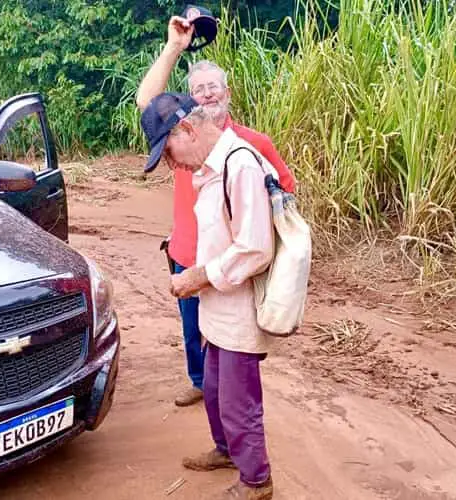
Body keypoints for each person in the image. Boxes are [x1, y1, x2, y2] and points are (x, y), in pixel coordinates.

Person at [136, 14, 295, 407]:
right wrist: (175, 46)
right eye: (198, 89)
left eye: (213, 87)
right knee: (193, 333)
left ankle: (229, 412)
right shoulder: (180, 140)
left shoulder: (252, 144)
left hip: (229, 266)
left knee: (232, 352)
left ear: (228, 92)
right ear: (190, 103)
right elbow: (147, 103)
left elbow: (284, 198)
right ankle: (200, 384)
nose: (207, 94)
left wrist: (268, 255)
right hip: (185, 256)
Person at [141, 92, 275, 499]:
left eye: (168, 152)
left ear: (186, 129)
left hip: (238, 309)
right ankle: (226, 451)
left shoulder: (239, 165)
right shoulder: (211, 168)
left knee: (238, 402)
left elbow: (256, 248)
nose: (170, 164)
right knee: (215, 392)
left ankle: (256, 482)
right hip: (218, 308)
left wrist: (198, 276)